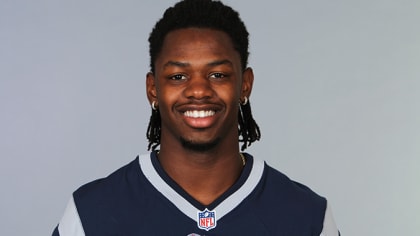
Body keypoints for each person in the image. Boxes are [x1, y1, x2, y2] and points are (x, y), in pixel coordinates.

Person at [53, 0, 340, 235]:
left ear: (245, 85)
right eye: (178, 76)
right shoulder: (91, 214)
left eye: (218, 75)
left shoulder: (307, 217)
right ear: (153, 88)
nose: (199, 90)